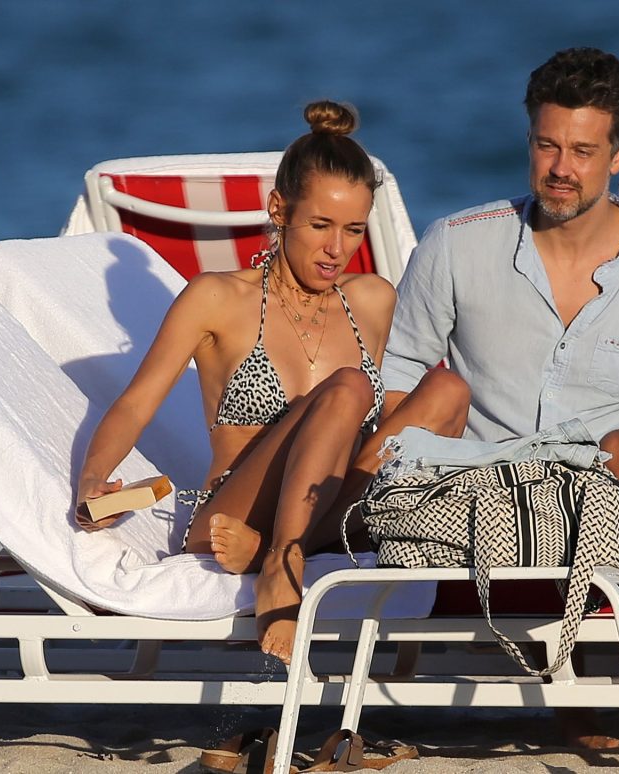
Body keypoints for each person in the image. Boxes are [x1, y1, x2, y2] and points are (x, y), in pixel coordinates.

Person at [340, 47, 619, 747]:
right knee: (610, 446)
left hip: (609, 494)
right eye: (547, 145)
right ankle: (578, 687)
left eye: (583, 151)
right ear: (529, 139)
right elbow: (399, 374)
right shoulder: (457, 245)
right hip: (479, 499)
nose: (561, 168)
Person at [75, 100, 395, 666]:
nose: (337, 249)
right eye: (320, 225)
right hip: (233, 514)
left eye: (353, 230)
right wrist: (94, 479)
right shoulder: (217, 298)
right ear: (278, 209)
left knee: (447, 395)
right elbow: (136, 403)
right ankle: (282, 562)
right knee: (349, 386)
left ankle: (277, 549)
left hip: (327, 510)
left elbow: (377, 435)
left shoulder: (372, 299)